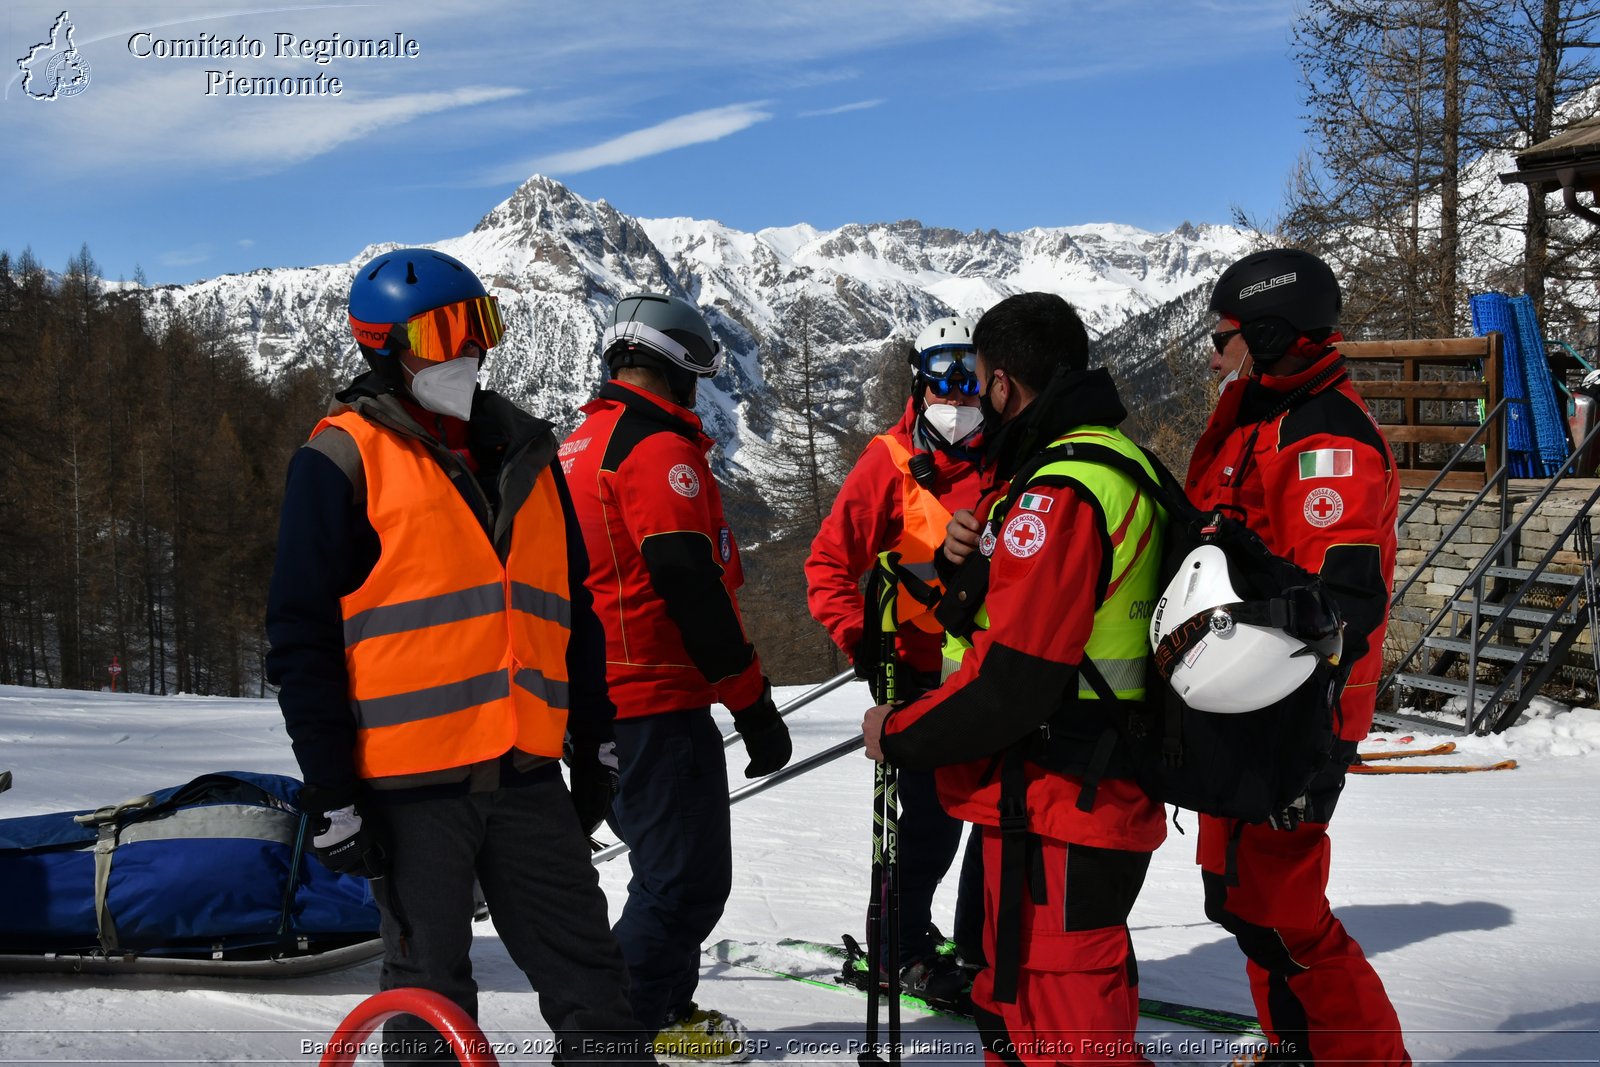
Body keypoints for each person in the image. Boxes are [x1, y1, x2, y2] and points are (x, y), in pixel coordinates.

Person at [265, 248, 649, 1066]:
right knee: (429, 993)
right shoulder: (342, 459)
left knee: (592, 977)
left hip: (527, 775)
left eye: (480, 326)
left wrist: (597, 737)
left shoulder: (530, 456)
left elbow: (571, 614)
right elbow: (301, 638)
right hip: (409, 790)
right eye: (444, 331)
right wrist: (331, 789)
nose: (467, 350)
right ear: (384, 346)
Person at [863, 292, 1167, 1067]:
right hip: (1060, 793)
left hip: (1066, 792)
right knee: (1015, 1007)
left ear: (1002, 385)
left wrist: (899, 731)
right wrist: (968, 566)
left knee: (1068, 1025)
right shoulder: (1109, 460)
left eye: (981, 379)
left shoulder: (1061, 487)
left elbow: (1014, 681)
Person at [1190, 247, 1410, 1066]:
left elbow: (1340, 599)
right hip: (1242, 702)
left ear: (1273, 332)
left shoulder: (1326, 440)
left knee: (1280, 913)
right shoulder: (1262, 415)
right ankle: (1297, 1046)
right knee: (1239, 896)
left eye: (1228, 335)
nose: (1216, 353)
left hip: (1297, 714)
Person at [562, 292, 792, 1062]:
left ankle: (659, 1007)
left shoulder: (582, 440)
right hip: (655, 698)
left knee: (662, 870)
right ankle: (613, 1035)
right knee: (684, 881)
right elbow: (689, 584)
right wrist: (754, 704)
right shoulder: (656, 450)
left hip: (598, 700)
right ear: (684, 368)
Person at [805, 316, 987, 999]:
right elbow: (827, 561)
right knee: (934, 823)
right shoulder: (890, 460)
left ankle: (978, 945)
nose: (961, 393)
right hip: (914, 672)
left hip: (993, 669)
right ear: (921, 379)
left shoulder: (1000, 456)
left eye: (973, 376)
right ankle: (899, 945)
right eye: (946, 375)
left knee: (995, 815)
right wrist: (860, 638)